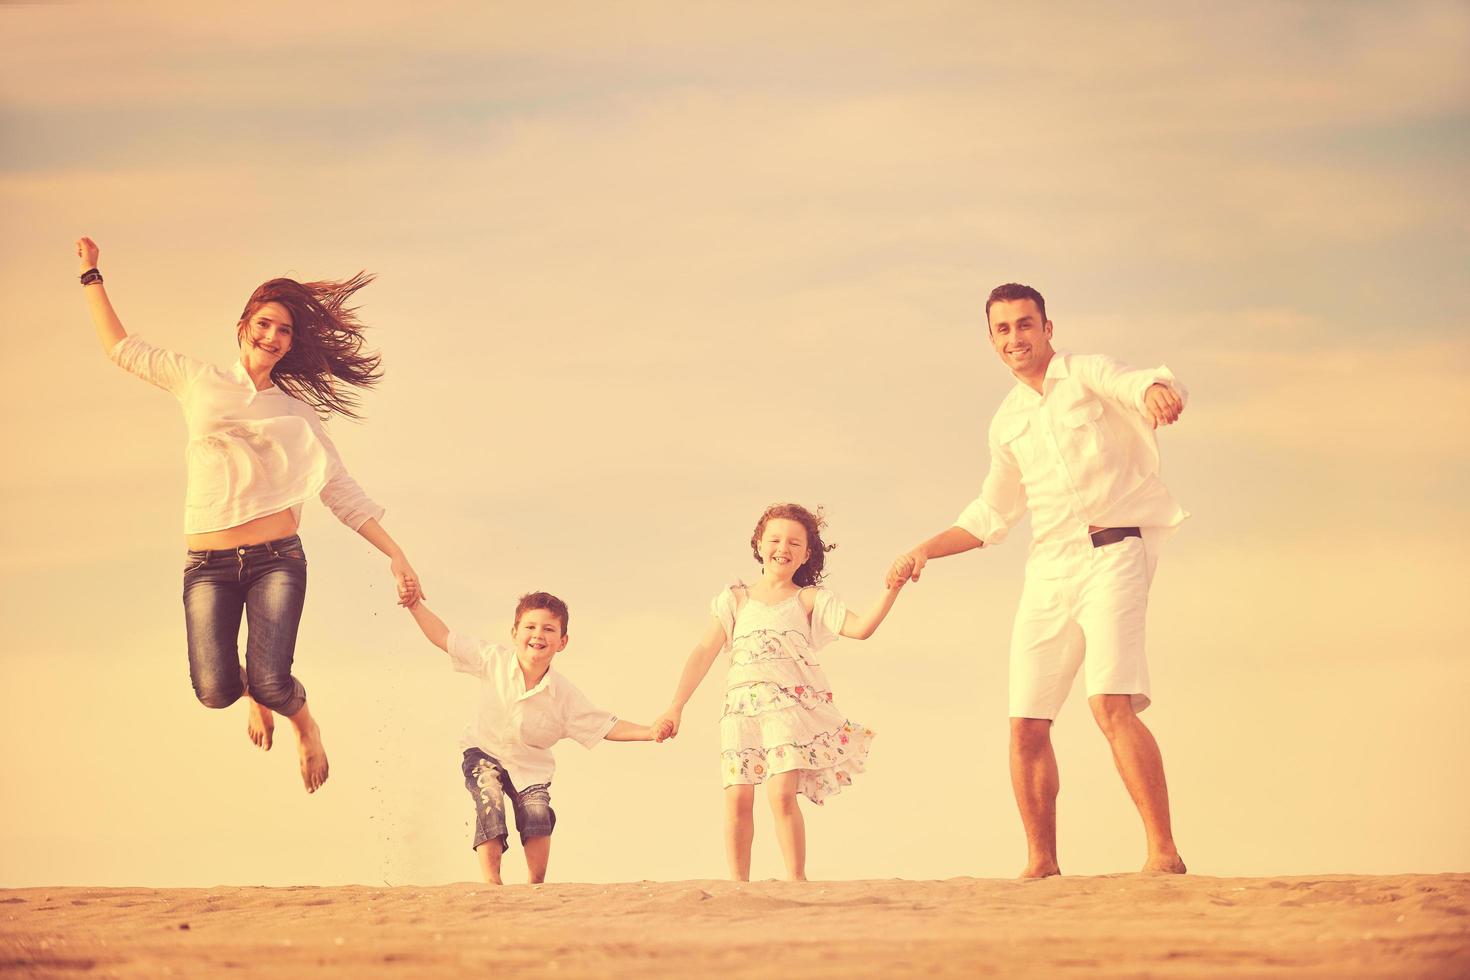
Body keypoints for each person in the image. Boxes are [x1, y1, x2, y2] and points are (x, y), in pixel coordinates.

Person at [75, 236, 422, 793]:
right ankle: (254, 698)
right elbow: (121, 348)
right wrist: (92, 275)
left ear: (291, 343)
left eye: (284, 330)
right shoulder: (198, 381)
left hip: (276, 560)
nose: (272, 337)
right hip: (207, 562)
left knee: (273, 678)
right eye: (264, 324)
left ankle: (303, 722)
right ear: (243, 327)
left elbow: (342, 493)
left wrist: (396, 553)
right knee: (214, 689)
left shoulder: (297, 414)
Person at [889, 282, 1188, 878]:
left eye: (1025, 325)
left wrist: (1157, 391)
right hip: (1049, 571)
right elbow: (990, 516)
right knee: (1026, 723)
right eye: (1002, 329)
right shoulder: (1005, 424)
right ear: (992, 340)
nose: (1015, 337)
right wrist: (927, 547)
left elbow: (1141, 382)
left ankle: (1163, 854)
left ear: (1048, 328)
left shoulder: (1086, 373)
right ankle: (1041, 864)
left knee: (1109, 704)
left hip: (1113, 553)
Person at [653, 503, 902, 881]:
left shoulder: (810, 599)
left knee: (781, 794)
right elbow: (703, 651)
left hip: (787, 710)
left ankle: (796, 880)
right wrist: (676, 705)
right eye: (774, 539)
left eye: (794, 542)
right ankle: (739, 885)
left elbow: (861, 627)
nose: (782, 548)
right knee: (737, 798)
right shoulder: (735, 599)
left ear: (806, 554)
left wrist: (891, 589)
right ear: (758, 543)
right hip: (740, 712)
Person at [403, 590, 664, 884]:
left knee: (537, 814)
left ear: (562, 642)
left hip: (531, 766)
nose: (537, 634)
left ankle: (535, 886)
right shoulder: (493, 660)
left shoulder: (565, 696)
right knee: (489, 797)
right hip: (483, 750)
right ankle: (492, 884)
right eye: (530, 627)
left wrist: (649, 731)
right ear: (514, 633)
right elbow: (444, 638)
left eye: (548, 629)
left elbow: (604, 725)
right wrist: (415, 606)